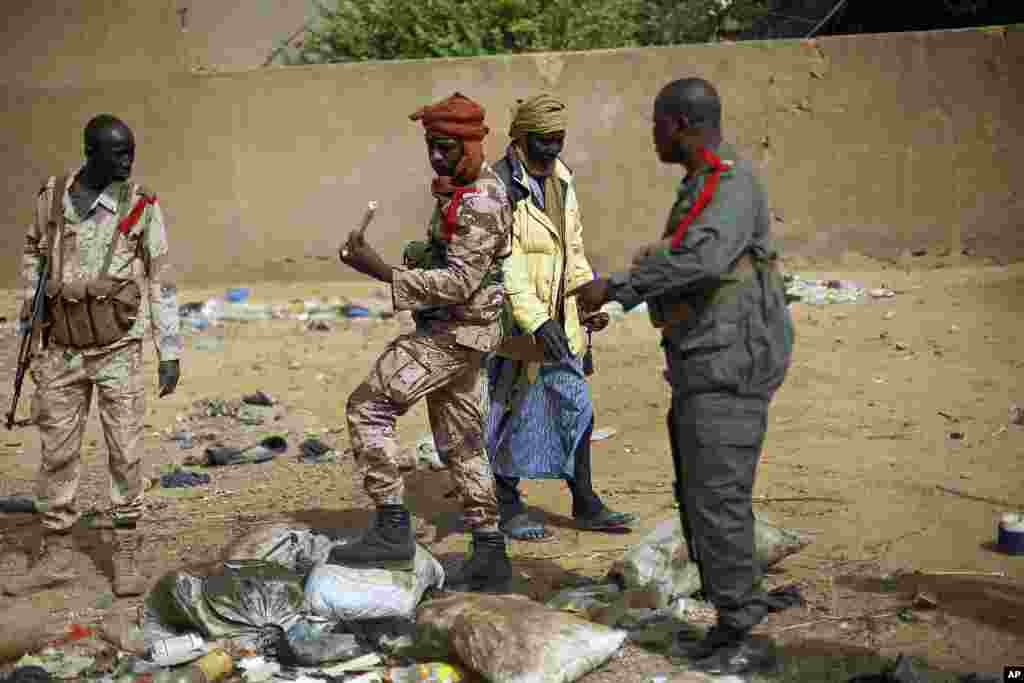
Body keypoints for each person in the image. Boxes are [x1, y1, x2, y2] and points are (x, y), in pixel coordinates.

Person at [572, 78, 795, 675]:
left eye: (656, 124)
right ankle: (731, 618)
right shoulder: (701, 186)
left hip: (728, 366)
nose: (651, 135)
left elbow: (702, 259)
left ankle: (745, 631)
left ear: (679, 124)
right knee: (700, 494)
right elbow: (688, 265)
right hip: (703, 362)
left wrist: (618, 287)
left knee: (718, 497)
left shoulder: (730, 183)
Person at [332, 92, 515, 592]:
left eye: (446, 148)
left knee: (368, 406)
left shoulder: (480, 200)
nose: (437, 158)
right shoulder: (469, 190)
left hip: (450, 335)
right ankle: (490, 553)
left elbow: (459, 283)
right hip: (463, 334)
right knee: (463, 443)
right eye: (432, 147)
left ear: (473, 143)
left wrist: (382, 271)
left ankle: (392, 527)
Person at [4, 114, 182, 598]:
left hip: (118, 348)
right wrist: (31, 314)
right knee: (57, 454)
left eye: (131, 151)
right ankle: (57, 553)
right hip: (60, 350)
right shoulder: (53, 195)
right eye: (118, 153)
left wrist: (170, 349)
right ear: (91, 152)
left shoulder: (141, 205)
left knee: (125, 452)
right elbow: (34, 252)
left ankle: (126, 552)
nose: (129, 160)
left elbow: (160, 278)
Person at [486, 93, 635, 542]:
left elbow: (572, 247)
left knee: (577, 407)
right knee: (508, 411)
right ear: (520, 138)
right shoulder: (497, 186)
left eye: (558, 140)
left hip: (558, 318)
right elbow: (504, 262)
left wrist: (587, 299)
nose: (552, 150)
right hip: (514, 323)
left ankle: (585, 501)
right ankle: (506, 504)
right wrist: (535, 320)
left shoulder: (563, 181)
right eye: (543, 141)